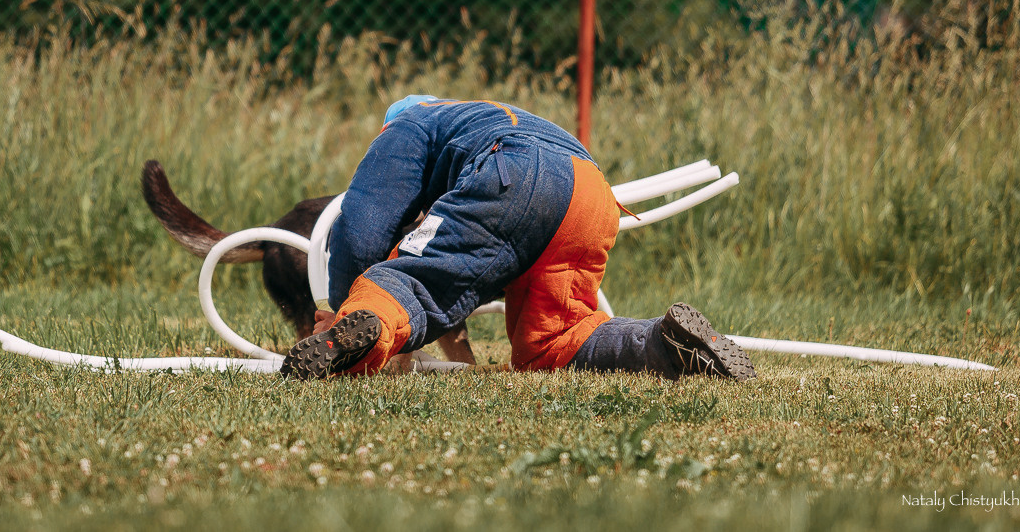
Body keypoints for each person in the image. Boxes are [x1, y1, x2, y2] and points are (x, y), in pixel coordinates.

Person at [280, 96, 755, 381]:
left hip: (514, 172)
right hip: (592, 193)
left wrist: (342, 305)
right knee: (556, 340)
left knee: (414, 283)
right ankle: (661, 345)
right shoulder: (481, 115)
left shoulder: (409, 124)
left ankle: (357, 336)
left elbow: (363, 224)